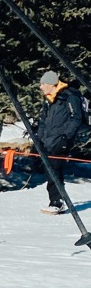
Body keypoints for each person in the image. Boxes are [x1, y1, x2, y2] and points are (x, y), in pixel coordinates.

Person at [35, 70, 84, 214]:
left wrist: (65, 138)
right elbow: (43, 121)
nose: (41, 87)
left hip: (61, 140)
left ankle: (56, 202)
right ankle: (56, 200)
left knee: (54, 169)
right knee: (50, 169)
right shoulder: (49, 99)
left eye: (43, 84)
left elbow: (76, 119)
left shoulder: (69, 97)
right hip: (48, 140)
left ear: (51, 84)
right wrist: (39, 139)